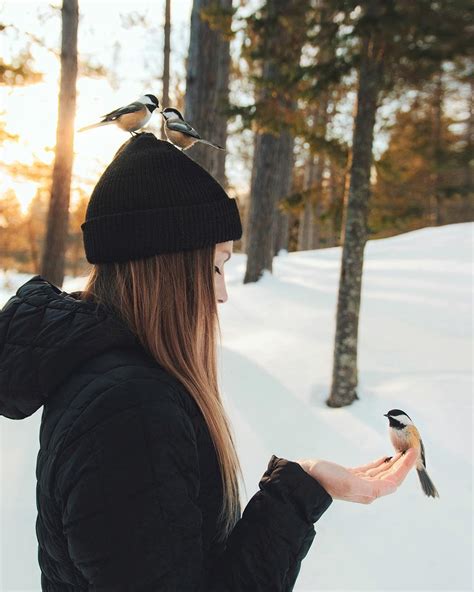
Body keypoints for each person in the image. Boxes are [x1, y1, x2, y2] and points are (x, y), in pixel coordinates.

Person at [0, 132, 417, 591]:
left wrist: (305, 485)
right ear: (170, 267)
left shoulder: (115, 384)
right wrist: (297, 499)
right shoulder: (129, 409)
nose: (221, 293)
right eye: (216, 266)